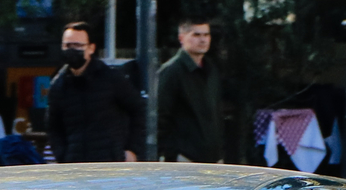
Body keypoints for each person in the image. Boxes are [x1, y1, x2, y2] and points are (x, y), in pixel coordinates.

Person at [45, 21, 142, 163]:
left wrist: (132, 151)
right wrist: (62, 155)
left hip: (110, 164)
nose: (72, 50)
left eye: (78, 46)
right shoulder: (58, 86)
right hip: (75, 166)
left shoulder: (111, 78)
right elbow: (53, 127)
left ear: (91, 48)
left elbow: (138, 110)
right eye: (67, 46)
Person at [156, 18, 224, 163]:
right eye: (196, 35)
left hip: (213, 158)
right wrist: (171, 153)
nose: (203, 40)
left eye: (206, 35)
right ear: (182, 38)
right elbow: (160, 116)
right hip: (184, 159)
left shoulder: (211, 69)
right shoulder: (171, 71)